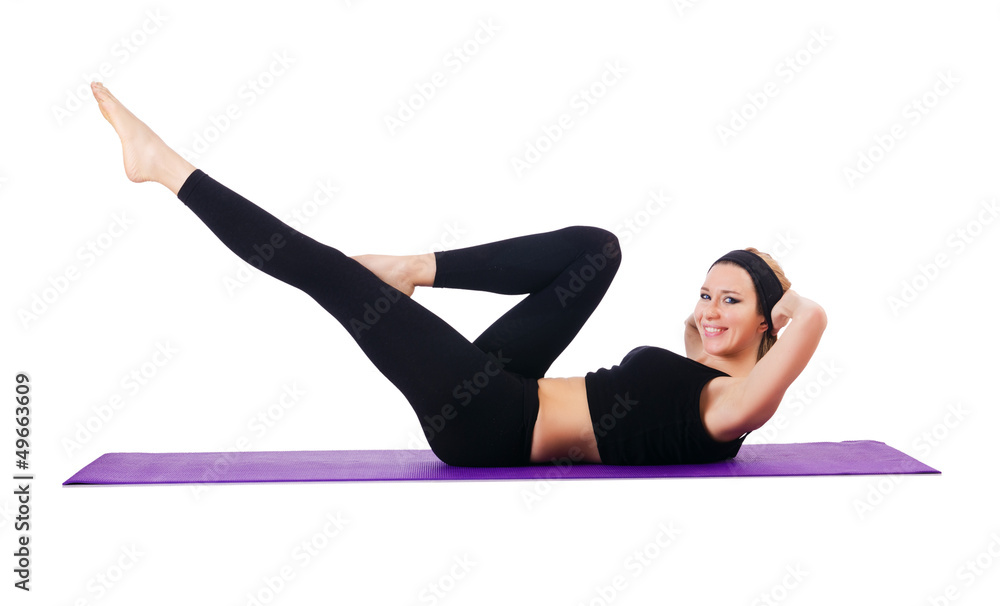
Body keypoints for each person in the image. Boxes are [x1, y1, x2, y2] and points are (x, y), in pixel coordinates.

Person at [90, 81, 827, 468]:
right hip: (508, 390)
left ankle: (163, 168)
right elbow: (719, 343)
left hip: (492, 425)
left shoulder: (734, 407)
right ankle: (414, 267)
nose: (709, 308)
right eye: (705, 293)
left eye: (731, 300)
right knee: (598, 250)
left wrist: (800, 304)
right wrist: (759, 300)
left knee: (332, 278)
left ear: (770, 320)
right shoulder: (706, 378)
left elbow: (805, 332)